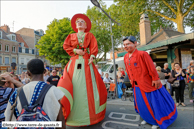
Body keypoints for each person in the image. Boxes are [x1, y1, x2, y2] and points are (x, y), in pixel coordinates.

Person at [57, 14, 107, 127]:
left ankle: (91, 116)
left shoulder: (90, 35)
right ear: (75, 25)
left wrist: (92, 57)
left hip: (86, 62)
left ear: (85, 26)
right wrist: (75, 50)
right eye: (78, 21)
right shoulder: (70, 36)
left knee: (91, 87)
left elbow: (94, 48)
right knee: (72, 86)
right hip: (74, 62)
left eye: (82, 21)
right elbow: (65, 46)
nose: (79, 22)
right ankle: (72, 114)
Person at [123, 36, 177, 129]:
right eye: (124, 45)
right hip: (136, 86)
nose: (125, 46)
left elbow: (151, 67)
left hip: (148, 85)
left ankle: (155, 122)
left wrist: (155, 79)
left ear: (135, 43)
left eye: (128, 44)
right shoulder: (125, 57)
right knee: (142, 104)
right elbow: (128, 70)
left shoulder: (142, 54)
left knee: (153, 104)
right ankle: (147, 118)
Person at [4, 59, 66, 128]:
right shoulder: (54, 91)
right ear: (45, 71)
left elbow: (8, 119)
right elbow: (60, 121)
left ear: (28, 73)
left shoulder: (16, 93)